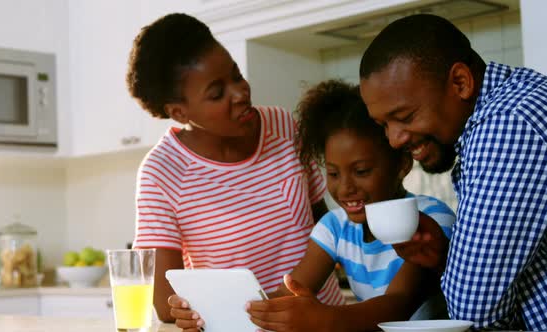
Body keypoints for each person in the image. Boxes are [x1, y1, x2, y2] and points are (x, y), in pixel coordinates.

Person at [125, 13, 345, 325]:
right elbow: (163, 301)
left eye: (236, 75)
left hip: (324, 324)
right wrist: (193, 312)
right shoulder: (161, 172)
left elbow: (327, 228)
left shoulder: (283, 125)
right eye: (217, 94)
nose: (240, 93)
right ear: (179, 112)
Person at [359, 14, 547, 331]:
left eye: (405, 116)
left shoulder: (507, 124)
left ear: (461, 82)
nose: (394, 140)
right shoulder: (519, 102)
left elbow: (471, 311)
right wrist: (446, 256)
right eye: (384, 126)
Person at [243, 80, 455, 332]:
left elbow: (399, 304)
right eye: (333, 173)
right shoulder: (335, 227)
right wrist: (240, 308)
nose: (344, 188)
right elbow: (290, 291)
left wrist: (323, 319)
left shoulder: (431, 218)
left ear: (402, 164)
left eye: (361, 171)